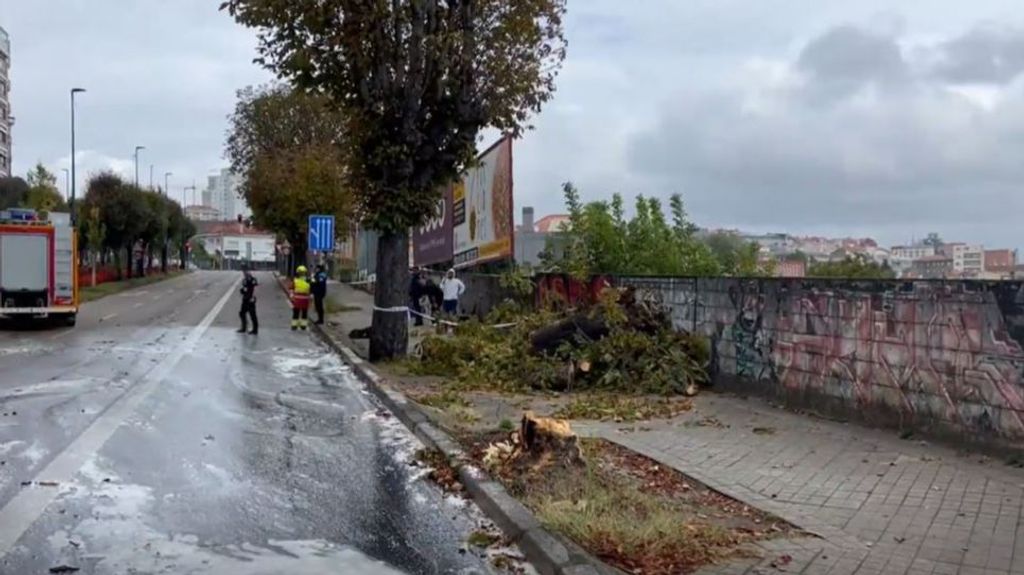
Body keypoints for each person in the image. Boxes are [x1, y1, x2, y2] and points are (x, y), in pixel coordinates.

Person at [238, 266, 259, 335]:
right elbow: (244, 289)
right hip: (245, 299)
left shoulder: (253, 280)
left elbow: (255, 289)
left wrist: (253, 297)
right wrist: (242, 291)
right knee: (242, 313)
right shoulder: (245, 280)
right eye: (244, 272)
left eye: (246, 272)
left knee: (252, 314)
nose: (244, 273)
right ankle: (244, 327)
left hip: (251, 299)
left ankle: (255, 329)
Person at [290, 265, 311, 331]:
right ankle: (303, 326)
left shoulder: (295, 280)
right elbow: (313, 287)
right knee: (303, 313)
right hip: (304, 299)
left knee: (296, 313)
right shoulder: (308, 280)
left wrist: (291, 295)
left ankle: (294, 326)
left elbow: (291, 288)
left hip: (298, 299)